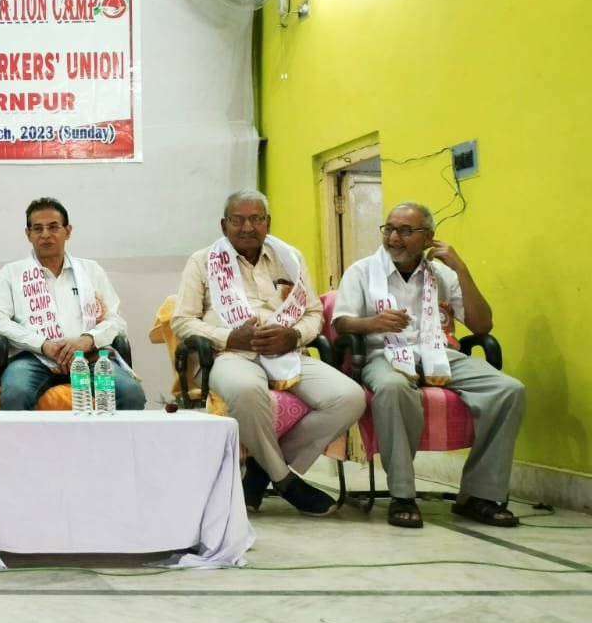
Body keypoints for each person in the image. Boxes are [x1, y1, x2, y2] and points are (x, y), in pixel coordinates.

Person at [171, 189, 364, 517]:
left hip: (287, 352)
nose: (247, 227)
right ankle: (286, 481)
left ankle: (261, 471)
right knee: (247, 390)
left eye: (256, 219)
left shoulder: (290, 257)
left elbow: (313, 313)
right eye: (237, 220)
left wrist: (294, 335)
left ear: (268, 223)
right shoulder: (202, 261)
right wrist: (230, 337)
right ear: (223, 225)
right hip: (230, 354)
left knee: (350, 397)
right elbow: (182, 321)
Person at [333, 202, 525, 528]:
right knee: (393, 387)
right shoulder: (362, 271)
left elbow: (482, 325)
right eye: (389, 229)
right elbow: (342, 323)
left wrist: (461, 269)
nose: (394, 237)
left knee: (508, 390)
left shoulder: (443, 274)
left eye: (405, 231)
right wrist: (373, 323)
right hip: (384, 354)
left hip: (439, 353)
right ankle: (402, 495)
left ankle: (478, 495)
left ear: (428, 237)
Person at [0, 197, 146, 411]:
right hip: (34, 358)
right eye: (38, 228)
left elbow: (116, 321)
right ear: (28, 234)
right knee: (15, 393)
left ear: (67, 231)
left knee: (131, 394)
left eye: (53, 227)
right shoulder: (10, 274)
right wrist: (43, 344)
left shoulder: (91, 271)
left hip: (89, 357)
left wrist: (88, 340)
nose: (46, 234)